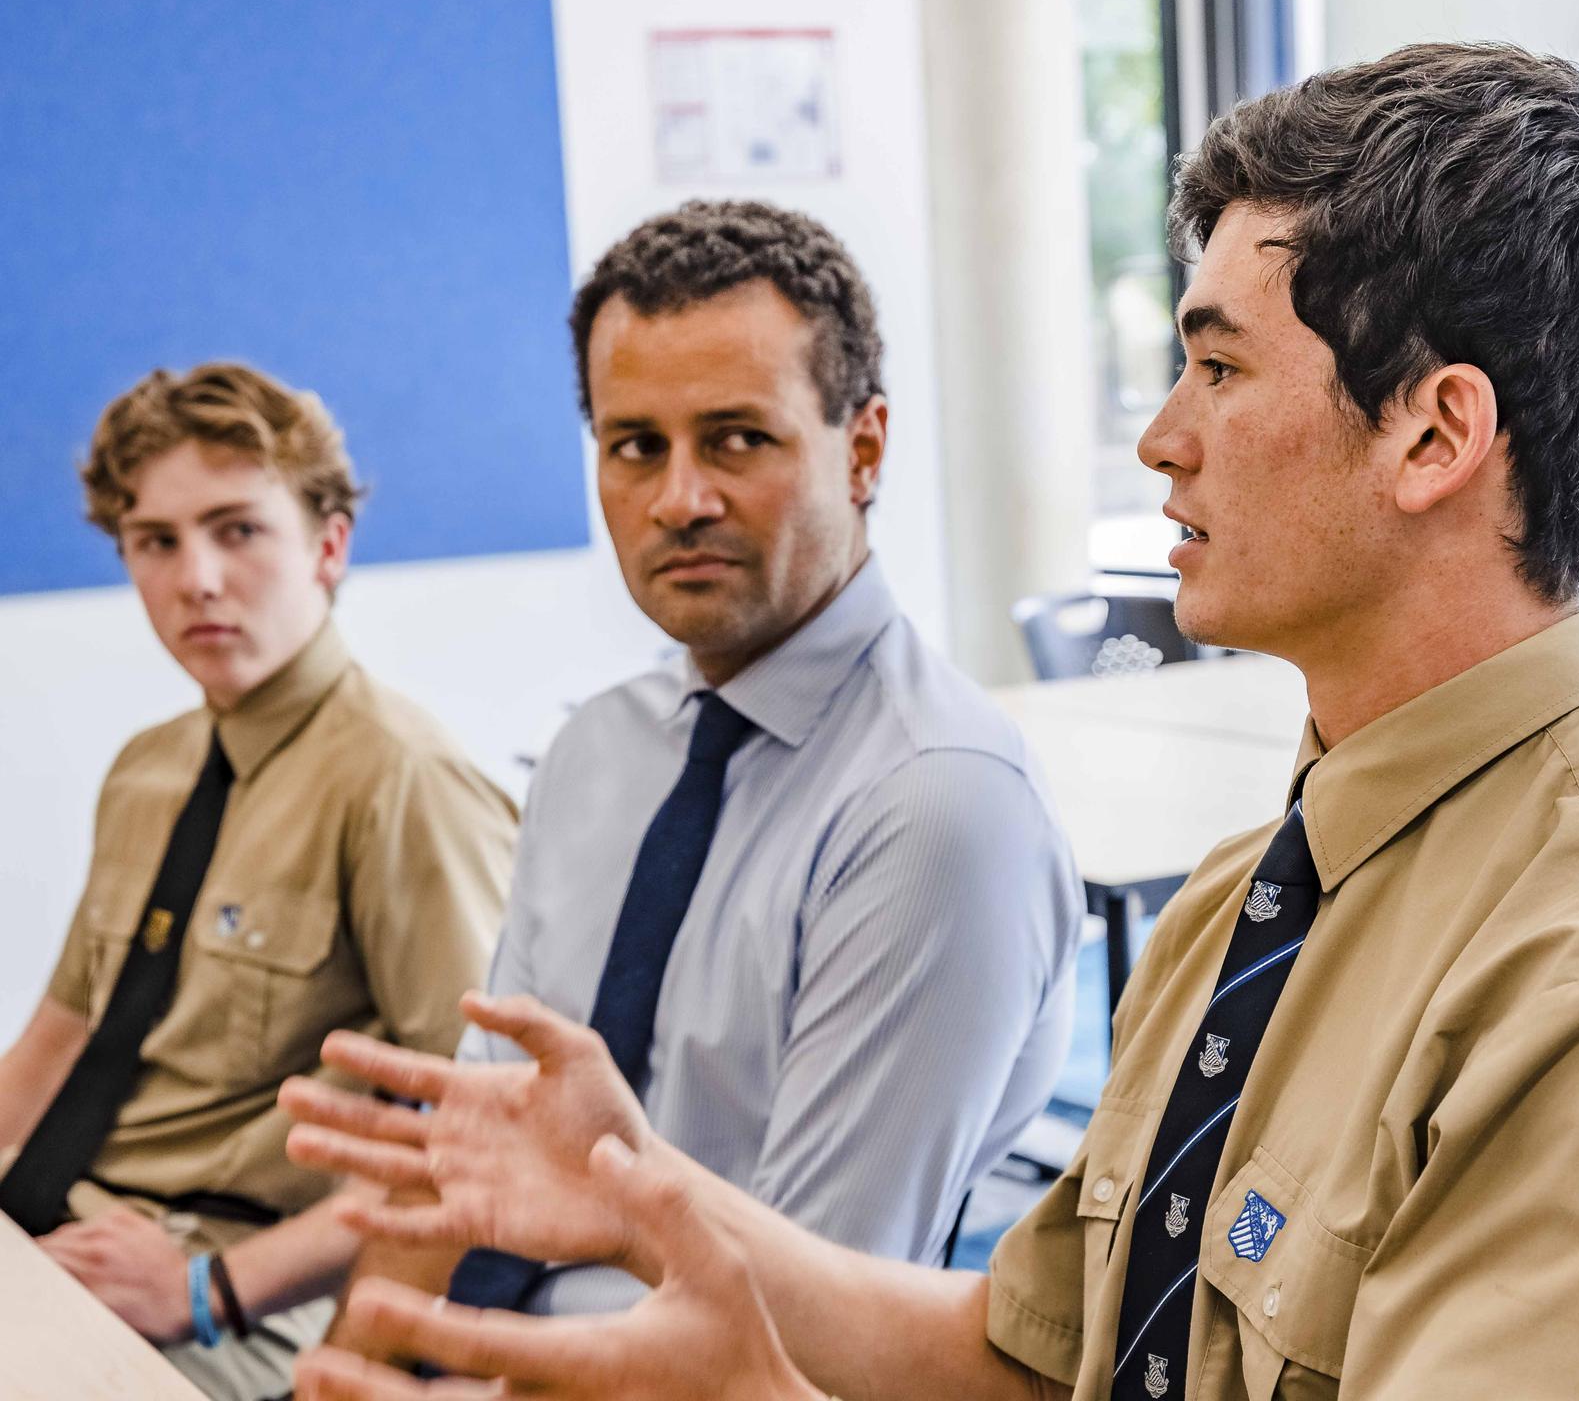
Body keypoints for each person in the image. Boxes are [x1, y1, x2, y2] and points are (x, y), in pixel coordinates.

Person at [282, 43, 1579, 1401]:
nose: (1159, 438)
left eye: (1219, 371)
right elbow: (1037, 1354)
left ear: (1432, 435)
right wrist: (659, 1210)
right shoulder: (1246, 904)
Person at [319, 199, 1082, 1347]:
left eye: (736, 439)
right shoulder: (595, 753)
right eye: (636, 447)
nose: (679, 500)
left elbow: (789, 1335)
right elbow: (461, 1177)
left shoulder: (936, 808)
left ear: (863, 449)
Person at [0, 362, 517, 1400]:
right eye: (156, 542)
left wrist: (208, 1289)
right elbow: (60, 1038)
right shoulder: (147, 770)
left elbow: (490, 1131)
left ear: (328, 546)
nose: (196, 578)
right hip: (49, 1239)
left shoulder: (403, 781)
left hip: (220, 1299)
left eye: (237, 530)